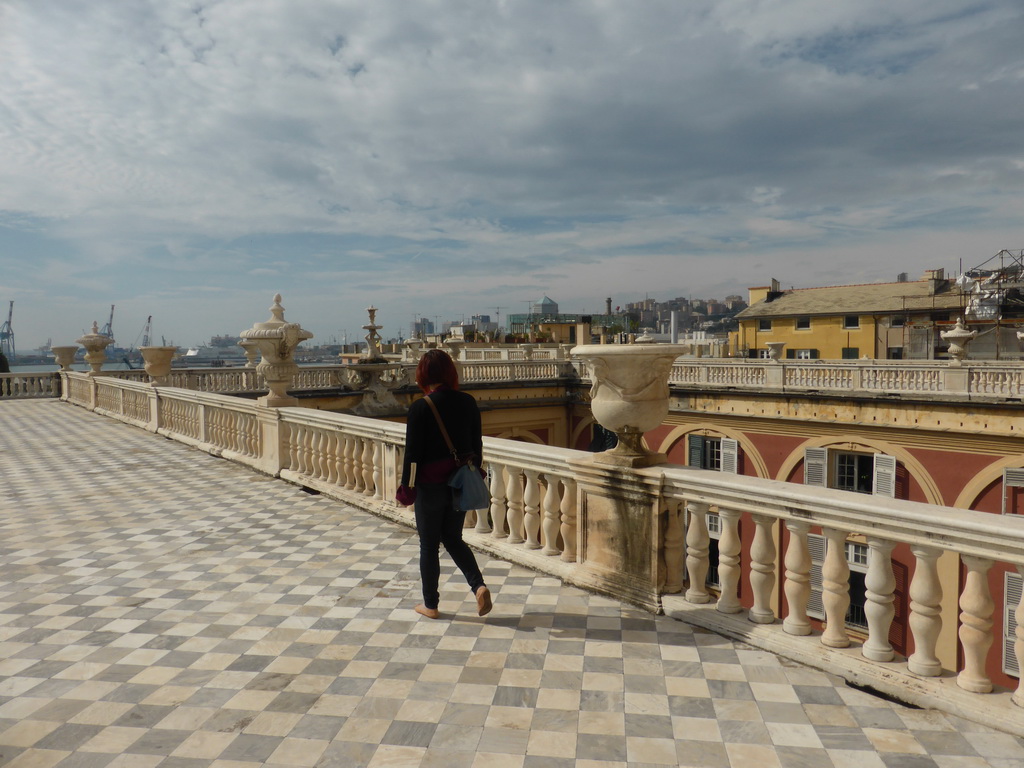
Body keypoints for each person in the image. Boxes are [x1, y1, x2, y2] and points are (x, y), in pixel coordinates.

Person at [398, 349, 492, 620]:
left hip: (430, 486)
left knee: (429, 545)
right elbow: (477, 446)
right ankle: (479, 586)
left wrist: (407, 489)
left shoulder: (420, 407)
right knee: (453, 538)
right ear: (451, 372)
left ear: (422, 375)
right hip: (459, 482)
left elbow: (412, 457)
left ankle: (430, 604)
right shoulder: (468, 402)